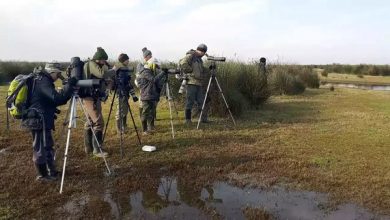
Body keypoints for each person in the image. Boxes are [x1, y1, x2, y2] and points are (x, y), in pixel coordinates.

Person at [23, 63, 77, 181]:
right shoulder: (43, 81)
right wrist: (69, 86)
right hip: (38, 119)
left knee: (47, 145)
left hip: (41, 117)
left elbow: (47, 99)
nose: (58, 77)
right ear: (52, 72)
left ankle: (51, 171)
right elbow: (58, 98)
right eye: (58, 74)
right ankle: (42, 175)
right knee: (41, 148)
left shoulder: (41, 79)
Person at [82, 47, 114, 157]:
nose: (105, 62)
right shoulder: (91, 64)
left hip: (93, 96)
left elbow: (100, 79)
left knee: (90, 121)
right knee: (99, 122)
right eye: (104, 60)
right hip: (89, 97)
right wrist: (112, 69)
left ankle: (89, 147)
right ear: (99, 59)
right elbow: (101, 74)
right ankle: (97, 150)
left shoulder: (94, 65)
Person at [179, 43, 210, 125]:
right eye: (203, 53)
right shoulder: (191, 55)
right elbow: (182, 63)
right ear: (201, 51)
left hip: (198, 83)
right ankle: (188, 120)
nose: (203, 55)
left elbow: (201, 69)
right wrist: (190, 71)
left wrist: (208, 69)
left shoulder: (199, 59)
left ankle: (203, 119)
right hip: (191, 82)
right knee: (190, 101)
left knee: (201, 101)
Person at [136, 58, 166, 135]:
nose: (156, 67)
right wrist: (162, 73)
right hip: (146, 95)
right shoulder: (145, 72)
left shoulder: (149, 71)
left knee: (151, 113)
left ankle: (150, 128)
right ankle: (144, 130)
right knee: (145, 113)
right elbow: (154, 80)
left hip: (151, 94)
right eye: (155, 65)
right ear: (151, 64)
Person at [113, 53, 138, 132]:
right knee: (120, 110)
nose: (128, 61)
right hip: (121, 93)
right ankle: (119, 128)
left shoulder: (125, 69)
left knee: (125, 110)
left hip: (125, 92)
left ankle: (124, 126)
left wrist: (133, 94)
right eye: (127, 60)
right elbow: (121, 82)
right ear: (123, 60)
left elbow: (128, 83)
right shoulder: (119, 69)